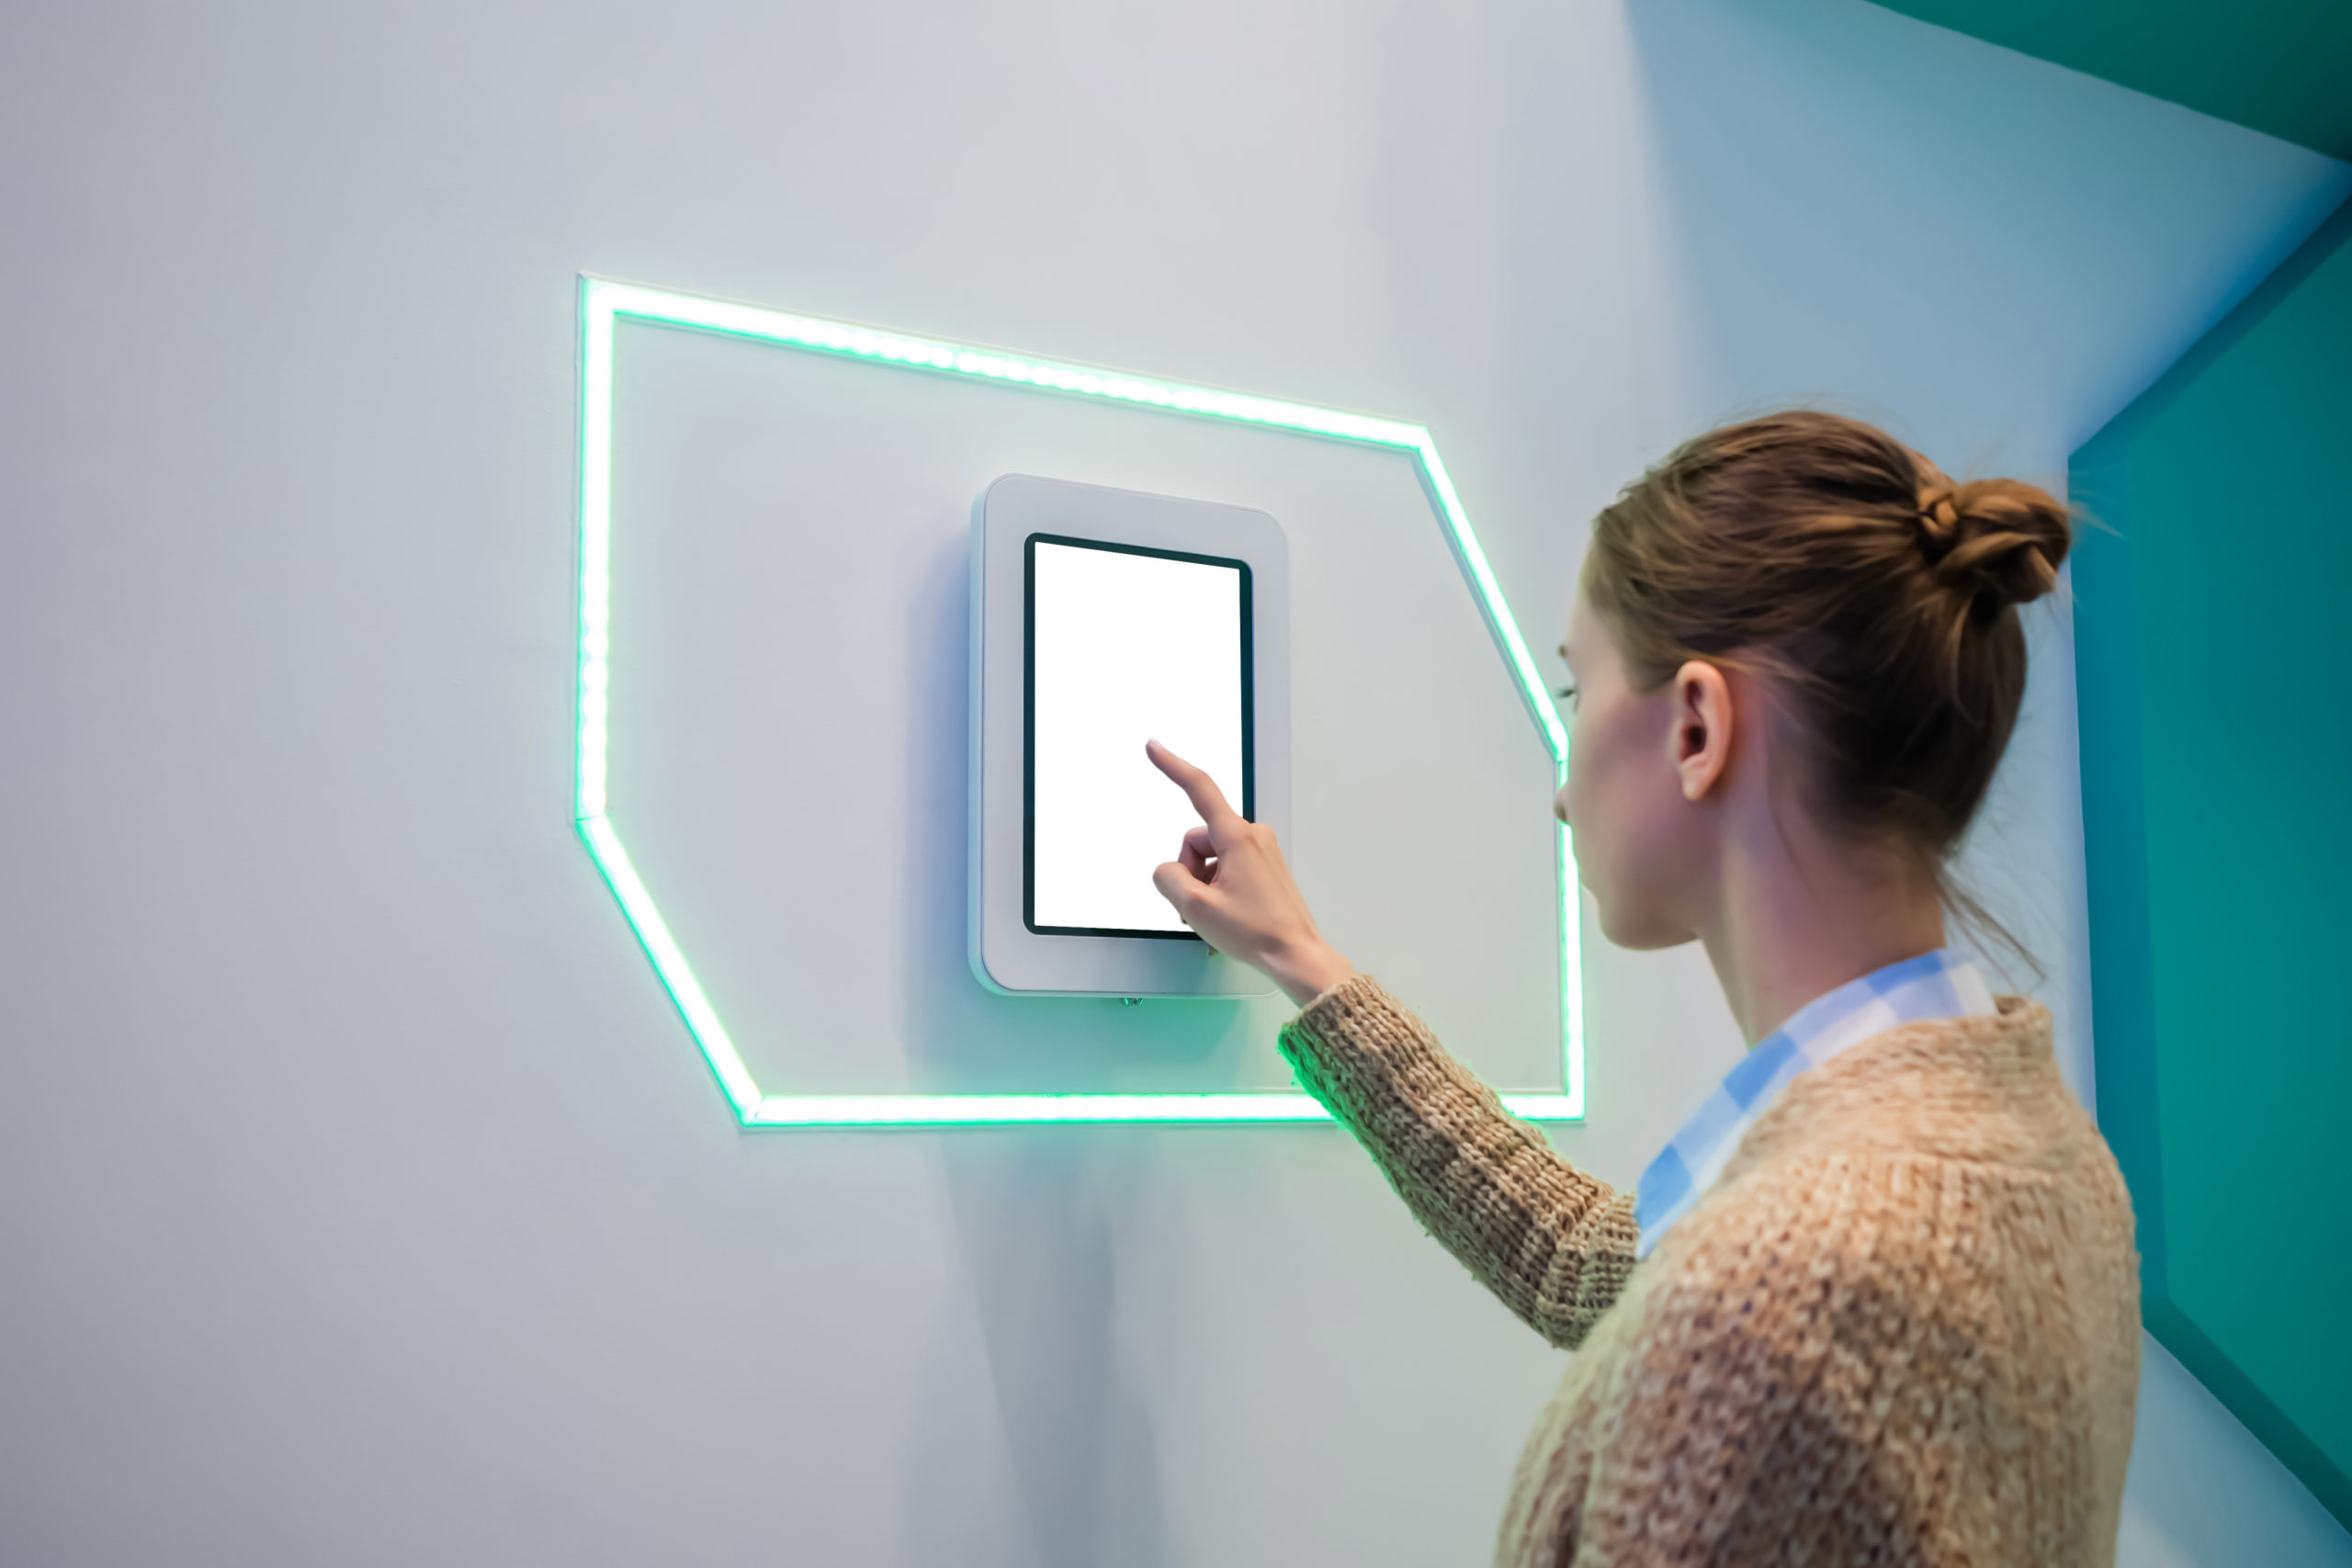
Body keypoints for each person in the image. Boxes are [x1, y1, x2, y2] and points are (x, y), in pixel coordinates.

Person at [1145, 411, 2139, 1567]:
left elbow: (1720, 1305)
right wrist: (1304, 964)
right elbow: (1595, 1267)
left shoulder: (1778, 1295)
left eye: (1577, 696)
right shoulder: (2040, 1159)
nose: (1563, 792)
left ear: (1696, 727)